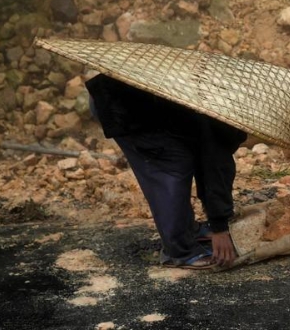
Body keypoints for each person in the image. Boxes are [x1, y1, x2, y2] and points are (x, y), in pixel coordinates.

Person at [85, 73, 247, 269]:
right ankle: (180, 251)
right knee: (171, 167)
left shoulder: (216, 106)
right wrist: (220, 229)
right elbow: (214, 168)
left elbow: (209, 163)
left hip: (148, 100)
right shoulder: (218, 118)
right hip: (121, 104)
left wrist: (217, 222)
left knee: (187, 153)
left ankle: (188, 230)